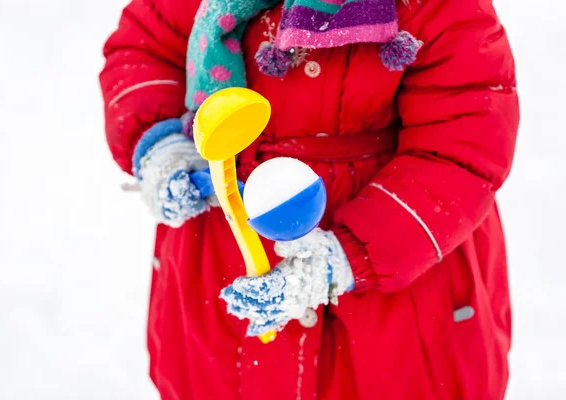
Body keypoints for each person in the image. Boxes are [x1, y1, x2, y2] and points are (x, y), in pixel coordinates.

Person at [100, 0, 519, 398]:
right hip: (222, 249)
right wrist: (161, 145)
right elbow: (145, 47)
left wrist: (347, 258)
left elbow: (459, 148)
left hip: (392, 273)